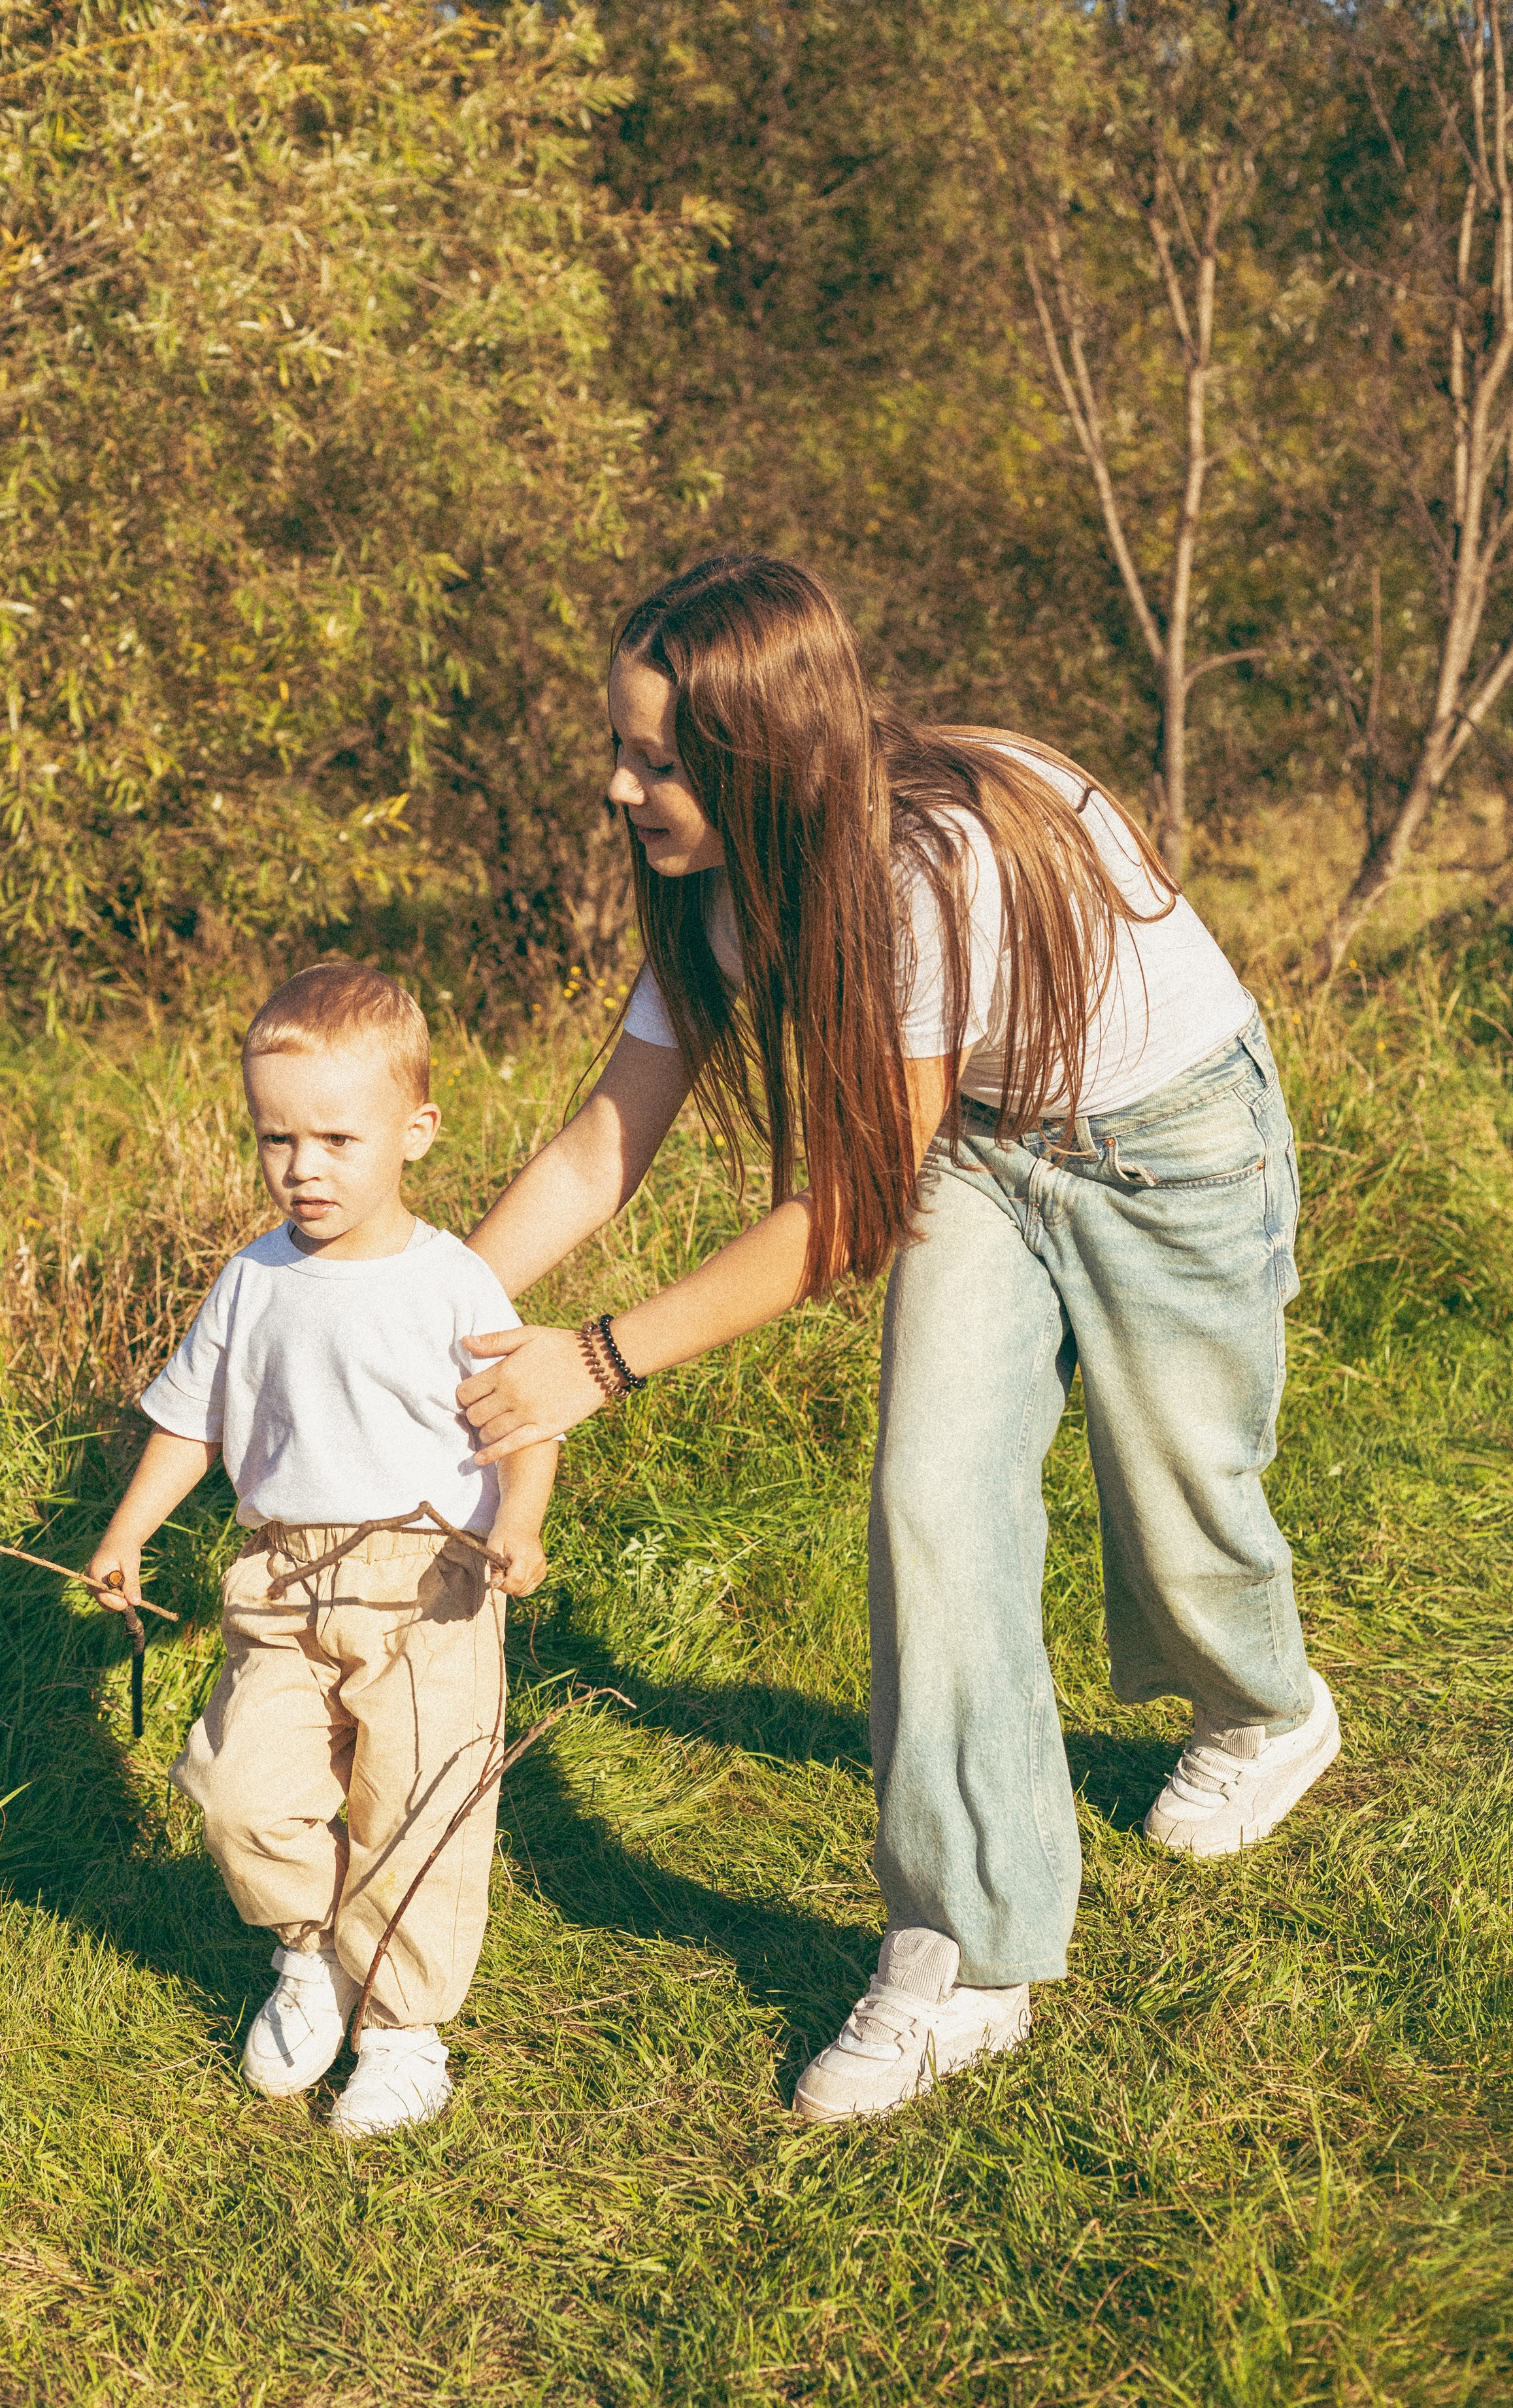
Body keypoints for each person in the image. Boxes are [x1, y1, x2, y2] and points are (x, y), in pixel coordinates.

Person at [458, 552, 1340, 2126]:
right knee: (933, 1503)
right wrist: (430, 1306)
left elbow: (847, 1215)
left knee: (1181, 1491)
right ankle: (964, 1947)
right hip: (981, 1147)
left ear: (756, 754)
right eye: (623, 750)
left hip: (1169, 1133)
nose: (619, 787)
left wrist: (592, 1364)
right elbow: (610, 1135)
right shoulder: (718, 897)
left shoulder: (920, 869)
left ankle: (1263, 1711)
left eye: (657, 763)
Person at [90, 963, 557, 2140]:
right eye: (277, 1140)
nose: (305, 1168)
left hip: (429, 1591)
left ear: (417, 1132)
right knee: (243, 1792)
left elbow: (526, 1418)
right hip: (280, 1586)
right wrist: (127, 1531)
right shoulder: (251, 1281)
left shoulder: (452, 1282)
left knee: (416, 1808)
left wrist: (519, 1524)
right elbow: (191, 1421)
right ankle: (313, 1953)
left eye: (338, 1139)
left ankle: (403, 2032)